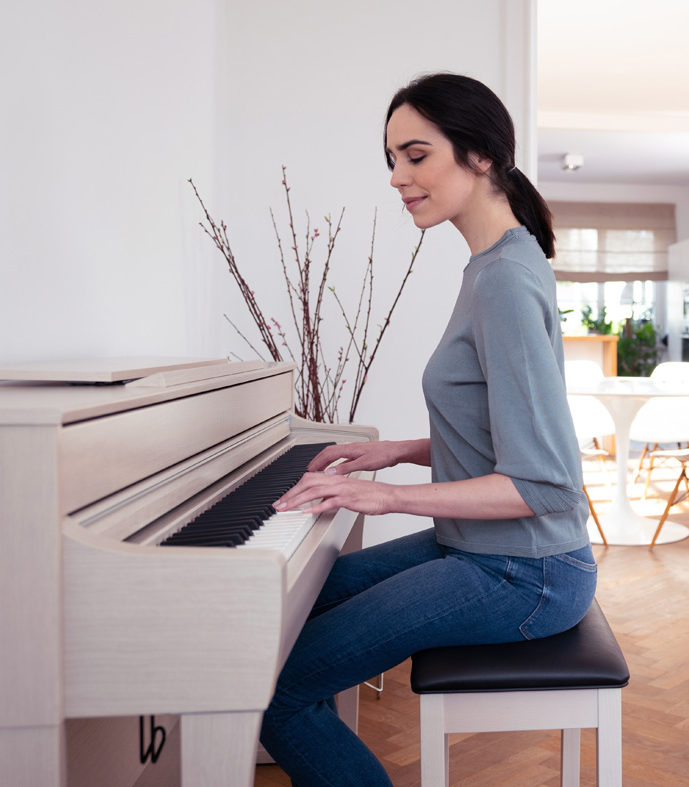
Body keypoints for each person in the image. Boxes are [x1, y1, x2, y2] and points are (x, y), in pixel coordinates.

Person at [259, 72, 596, 787]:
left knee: (280, 693)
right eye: (391, 159)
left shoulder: (505, 276)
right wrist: (399, 453)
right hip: (488, 548)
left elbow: (542, 480)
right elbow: (504, 428)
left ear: (479, 156)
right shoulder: (495, 264)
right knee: (305, 594)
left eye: (415, 155)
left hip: (526, 571)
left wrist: (389, 498)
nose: (397, 177)